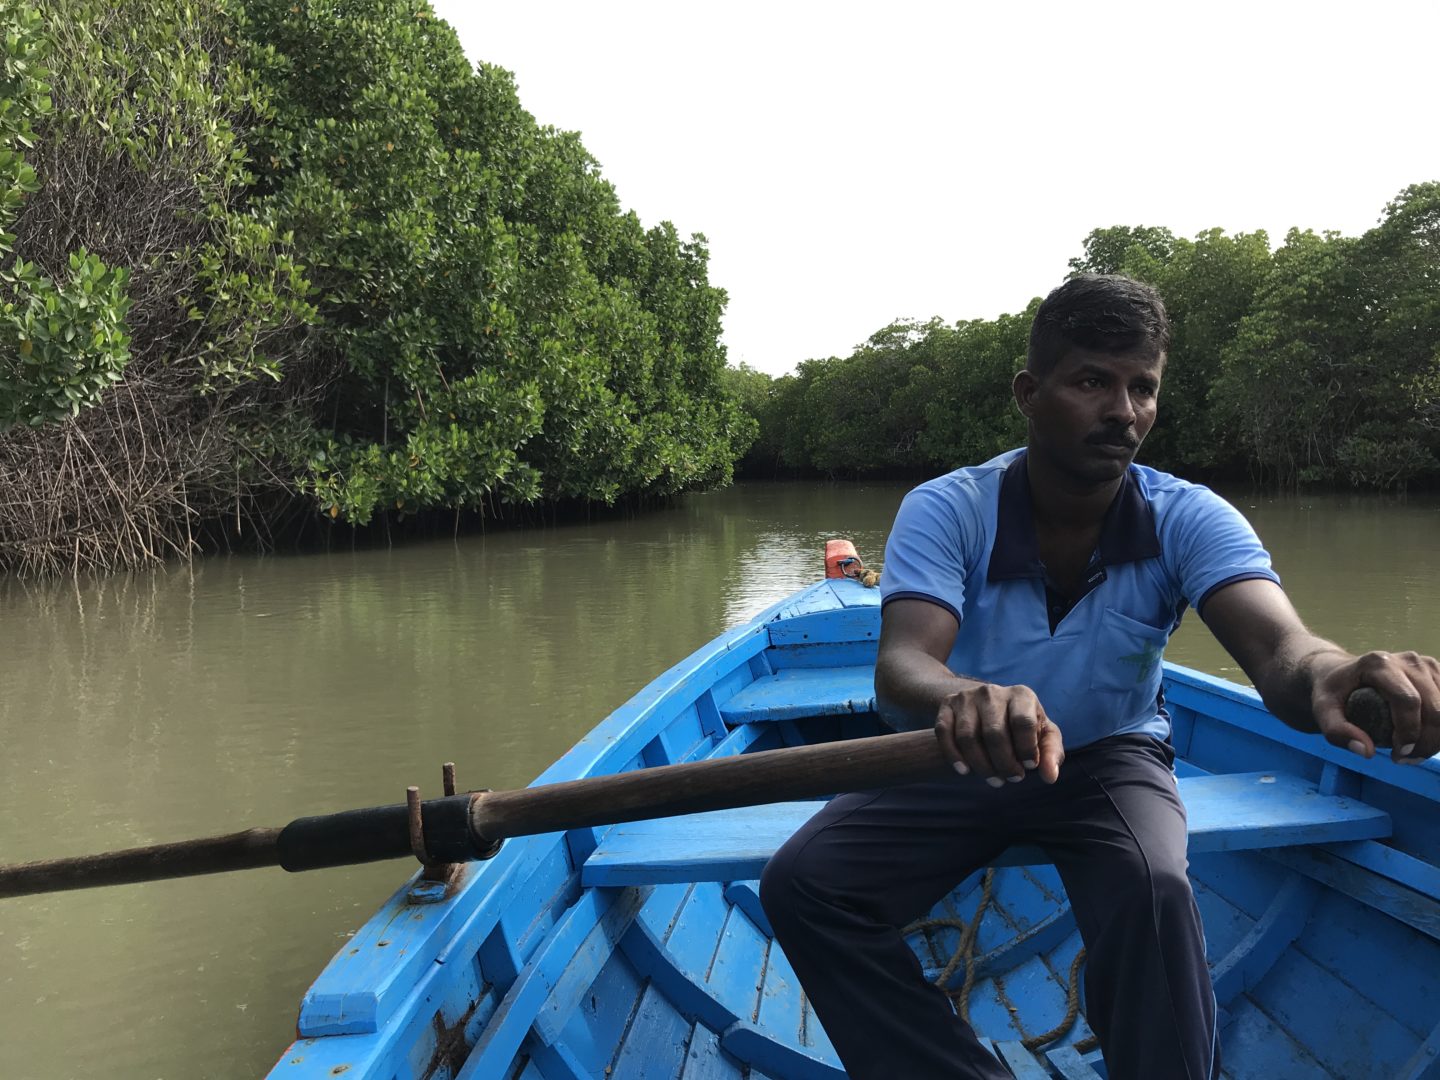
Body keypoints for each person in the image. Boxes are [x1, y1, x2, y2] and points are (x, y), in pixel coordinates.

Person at [758, 274, 1440, 1080]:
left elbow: (1283, 652)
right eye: (1093, 382)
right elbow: (903, 667)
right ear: (1029, 392)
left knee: (1154, 889)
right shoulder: (950, 508)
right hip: (962, 750)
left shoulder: (1189, 515)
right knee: (803, 888)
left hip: (1111, 755)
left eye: (1142, 387)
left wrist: (1331, 676)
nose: (1124, 412)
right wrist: (964, 698)